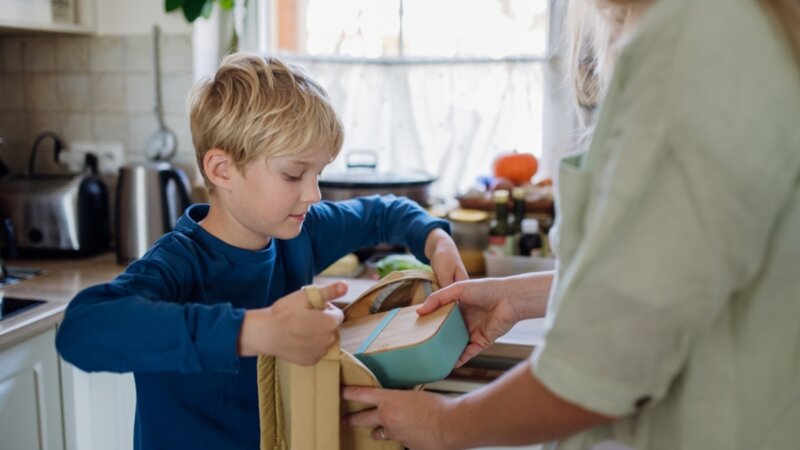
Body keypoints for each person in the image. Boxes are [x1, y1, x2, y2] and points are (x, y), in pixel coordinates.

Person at [343, 0, 800, 448]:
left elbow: (605, 365)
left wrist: (444, 425)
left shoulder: (696, 42)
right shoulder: (722, 32)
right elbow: (673, 268)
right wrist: (518, 296)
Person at [55, 53, 467, 450]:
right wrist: (258, 331)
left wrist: (437, 240)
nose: (314, 193)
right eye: (293, 174)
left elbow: (383, 212)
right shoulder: (179, 263)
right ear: (222, 169)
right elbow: (81, 328)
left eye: (317, 173)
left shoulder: (299, 232)